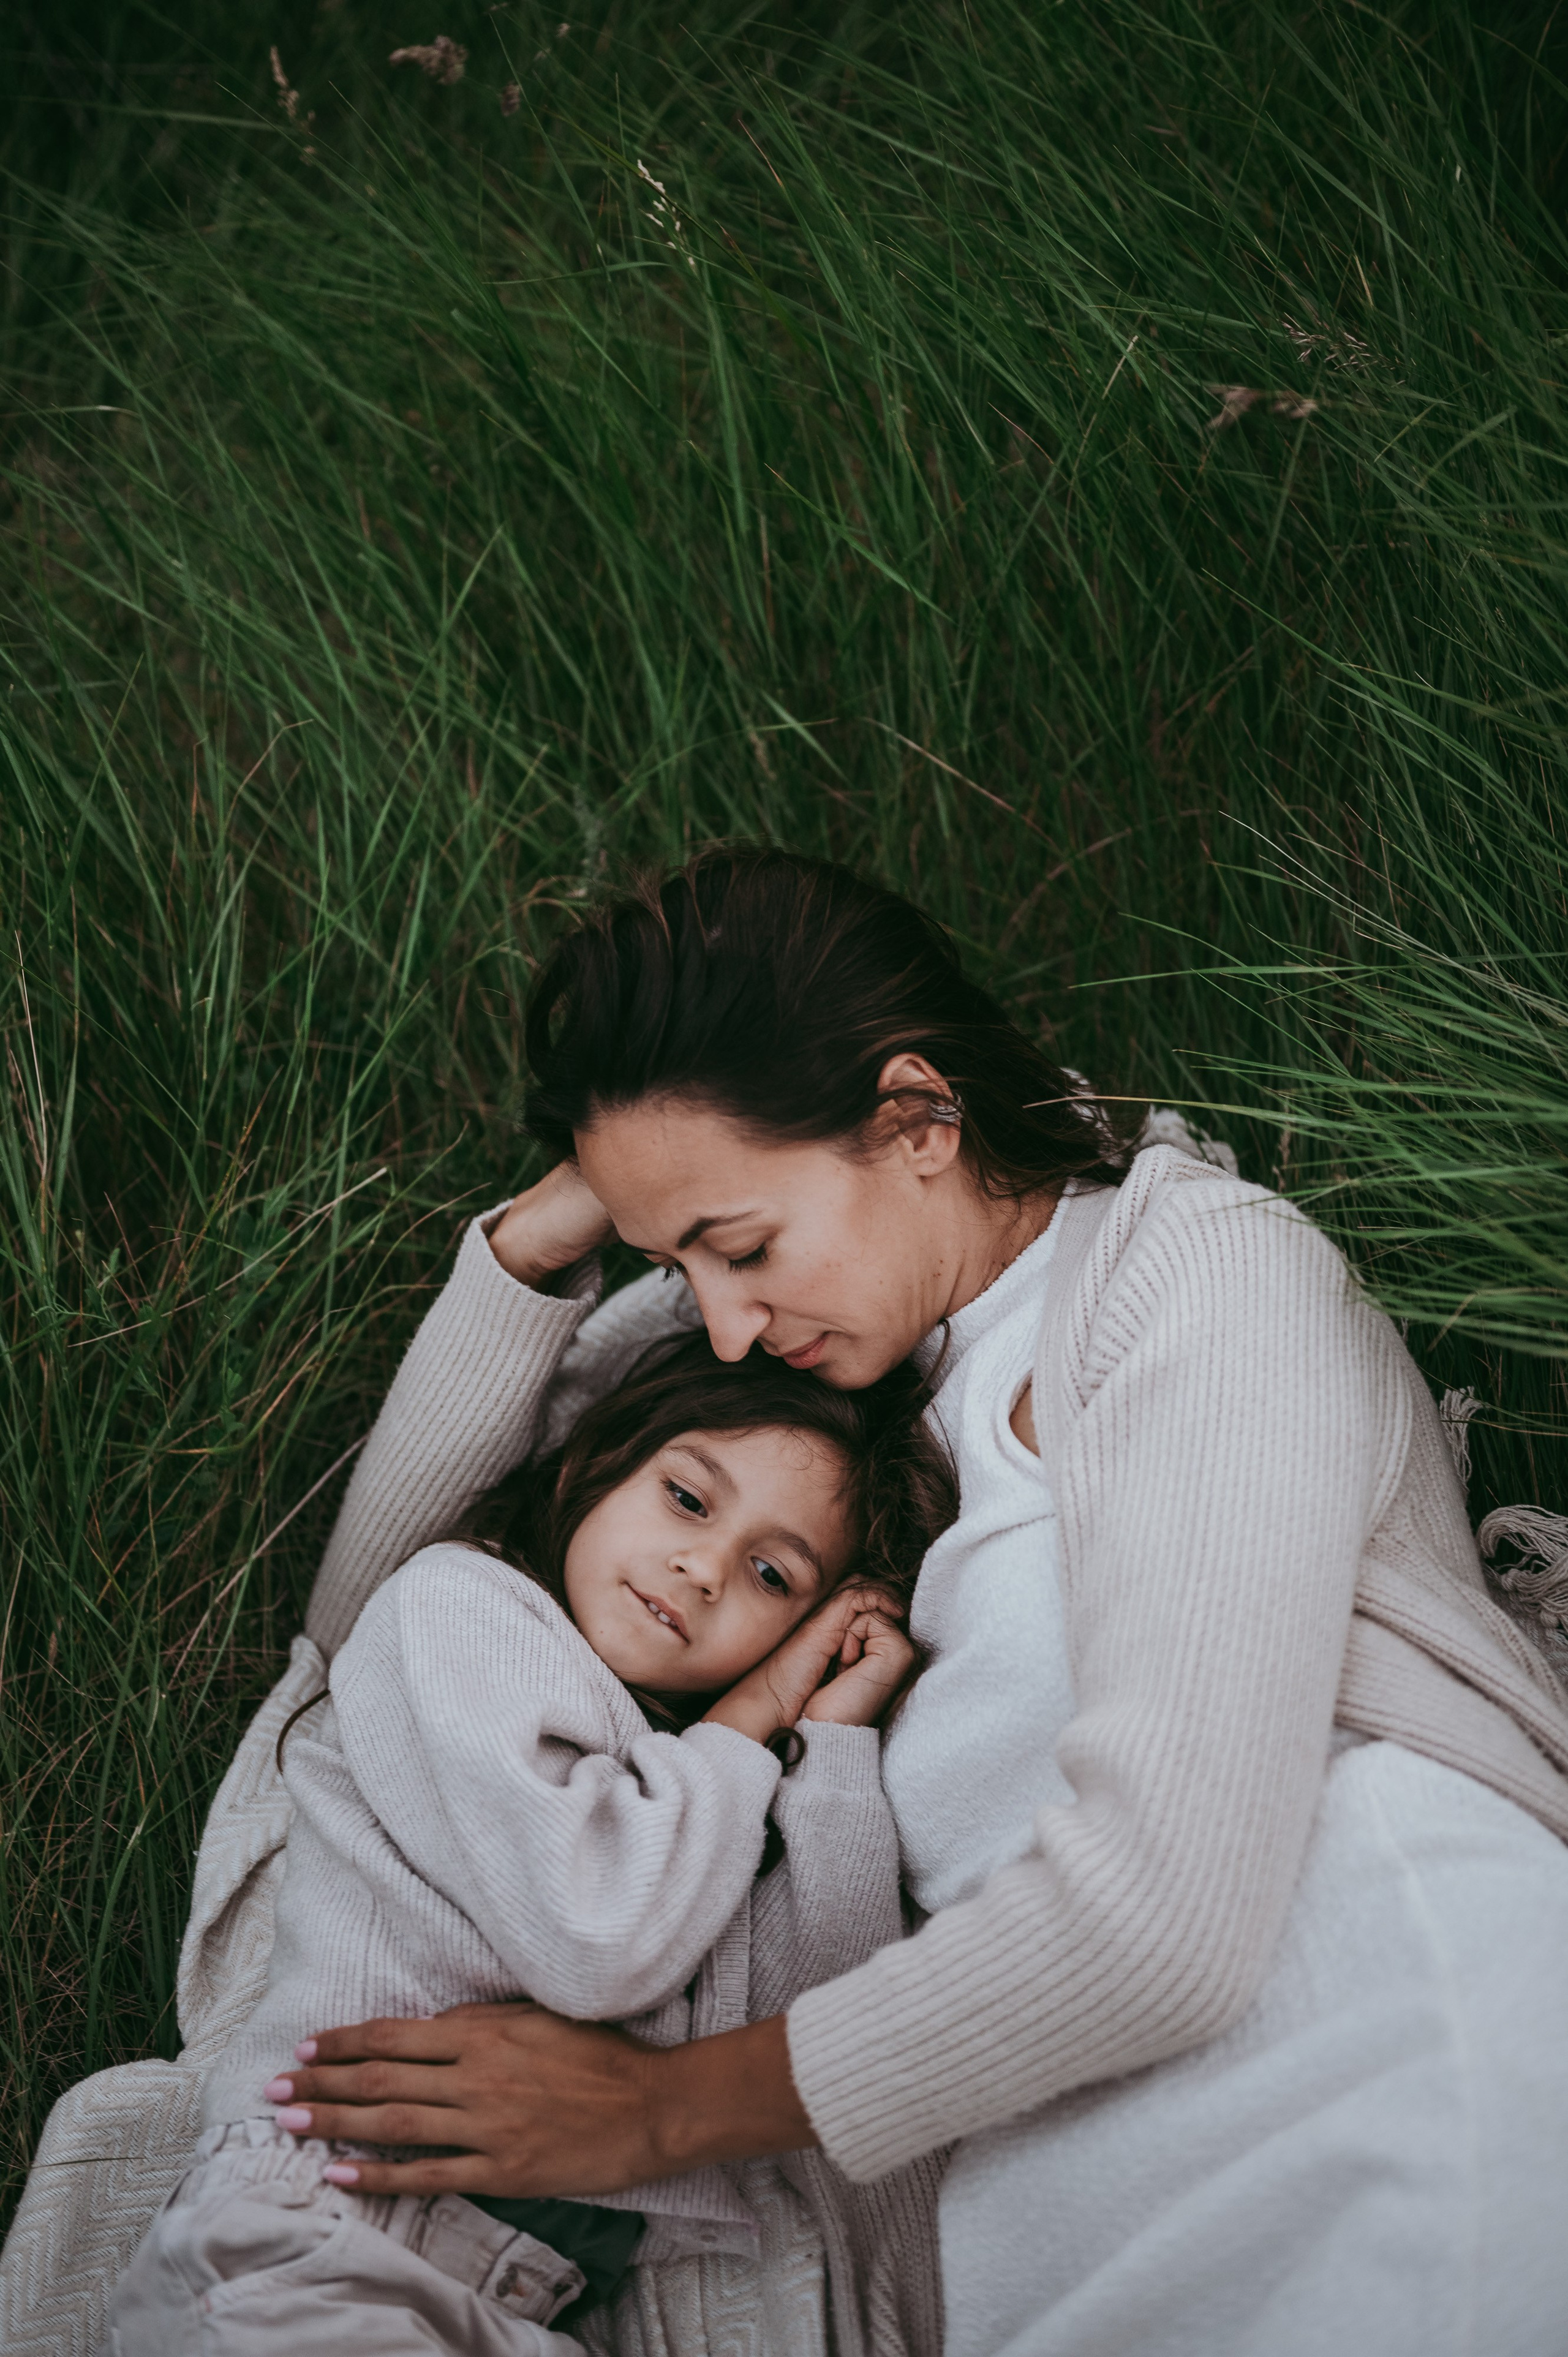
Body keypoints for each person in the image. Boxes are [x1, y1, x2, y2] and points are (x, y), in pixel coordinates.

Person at [265, 848, 1568, 2357]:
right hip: (1047, 2205)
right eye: (676, 1259)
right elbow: (376, 1633)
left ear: (916, 1119)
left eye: (739, 1243)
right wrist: (559, 1229)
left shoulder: (1199, 1282)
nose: (721, 1311)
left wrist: (658, 2113)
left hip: (1375, 2079)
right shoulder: (789, 1364)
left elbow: (1164, 1915)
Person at [107, 1329, 955, 2357]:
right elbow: (595, 1937)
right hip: (316, 2238)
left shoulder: (702, 1797)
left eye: (772, 1576)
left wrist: (834, 1740)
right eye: (688, 1499)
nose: (701, 1567)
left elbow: (819, 2014)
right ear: (602, 1463)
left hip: (520, 2297)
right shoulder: (464, 1612)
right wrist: (750, 1720)